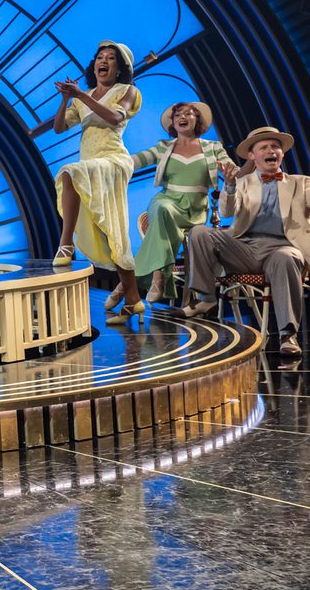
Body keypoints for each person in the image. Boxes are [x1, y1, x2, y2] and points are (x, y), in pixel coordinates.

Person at [177, 127, 310, 356]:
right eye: (264, 147)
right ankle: (205, 298)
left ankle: (288, 335)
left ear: (282, 153)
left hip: (282, 249)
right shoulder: (244, 182)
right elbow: (228, 210)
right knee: (199, 232)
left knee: (287, 257)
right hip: (244, 249)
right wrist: (229, 186)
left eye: (275, 146)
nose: (271, 151)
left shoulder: (301, 183)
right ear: (252, 156)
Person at [52, 40, 144, 325]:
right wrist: (68, 98)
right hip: (93, 164)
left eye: (111, 58)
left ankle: (65, 244)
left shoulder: (127, 91)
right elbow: (58, 128)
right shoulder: (84, 96)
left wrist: (82, 95)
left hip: (114, 161)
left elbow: (116, 118)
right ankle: (132, 300)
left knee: (69, 171)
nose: (103, 62)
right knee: (112, 231)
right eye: (99, 57)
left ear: (119, 69)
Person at [129, 102, 235, 302]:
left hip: (195, 208)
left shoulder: (213, 148)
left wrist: (247, 166)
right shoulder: (163, 147)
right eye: (177, 115)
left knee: (162, 222)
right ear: (173, 122)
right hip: (166, 199)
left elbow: (233, 171)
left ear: (198, 121)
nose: (182, 117)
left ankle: (126, 285)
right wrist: (111, 158)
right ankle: (158, 278)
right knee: (162, 209)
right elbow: (134, 160)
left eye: (189, 113)